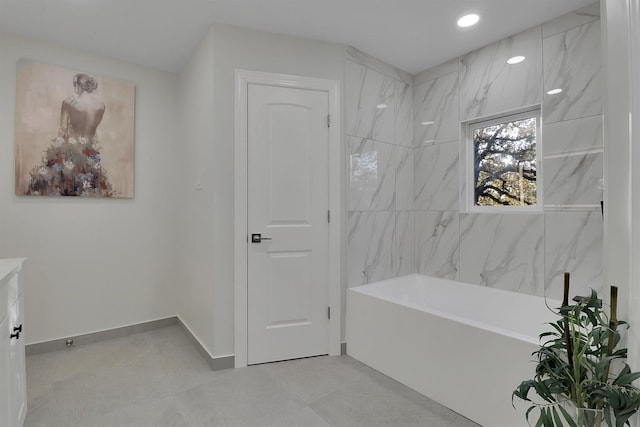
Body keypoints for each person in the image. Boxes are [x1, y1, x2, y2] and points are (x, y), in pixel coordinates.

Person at [58, 73, 105, 141]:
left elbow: (63, 128)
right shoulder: (101, 106)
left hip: (72, 147)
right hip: (90, 148)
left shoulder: (68, 103)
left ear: (77, 85)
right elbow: (94, 126)